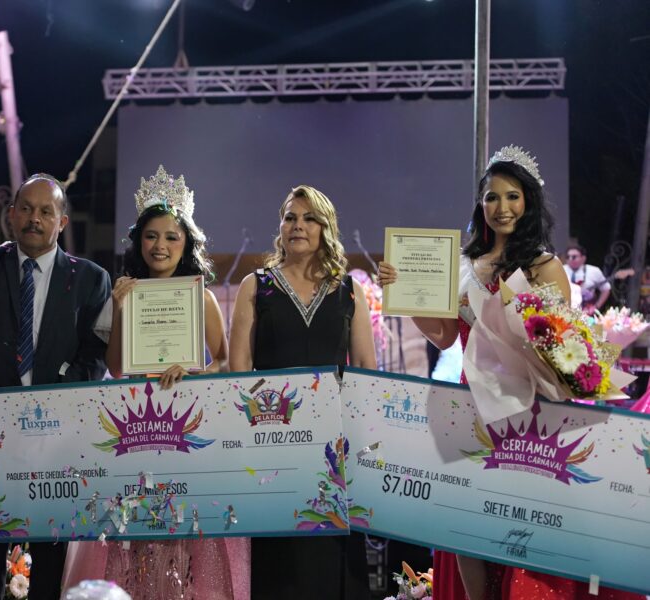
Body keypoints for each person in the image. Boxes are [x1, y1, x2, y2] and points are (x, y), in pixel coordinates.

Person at [378, 145, 642, 600]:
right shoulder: (462, 265)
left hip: (530, 411)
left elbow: (561, 347)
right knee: (467, 519)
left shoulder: (544, 266)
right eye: (492, 197)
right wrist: (403, 292)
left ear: (528, 201)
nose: (502, 207)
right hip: (470, 404)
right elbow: (443, 337)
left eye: (512, 196)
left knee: (519, 520)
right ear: (480, 205)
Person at [62, 165, 248, 600]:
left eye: (171, 237)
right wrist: (120, 309)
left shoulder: (202, 297)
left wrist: (194, 373)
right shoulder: (126, 292)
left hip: (185, 429)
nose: (160, 245)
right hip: (136, 430)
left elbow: (226, 363)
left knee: (183, 537)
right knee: (133, 537)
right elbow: (117, 369)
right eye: (151, 236)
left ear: (186, 243)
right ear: (139, 241)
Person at [0, 173, 110, 600]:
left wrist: (51, 401)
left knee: (49, 568)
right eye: (25, 208)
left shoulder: (91, 279)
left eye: (46, 211)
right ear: (11, 214)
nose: (34, 219)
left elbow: (95, 358)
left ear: (62, 222)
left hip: (57, 443)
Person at [229, 184, 377, 599]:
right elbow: (237, 373)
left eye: (309, 218)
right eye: (290, 217)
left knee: (330, 564)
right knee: (280, 566)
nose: (298, 225)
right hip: (273, 445)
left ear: (326, 228)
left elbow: (365, 370)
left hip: (334, 453)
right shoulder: (256, 285)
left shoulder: (348, 290)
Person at [563, 244, 611, 313]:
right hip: (565, 311)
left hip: (587, 312)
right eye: (568, 257)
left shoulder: (594, 271)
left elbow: (606, 289)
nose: (570, 259)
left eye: (574, 257)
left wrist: (596, 307)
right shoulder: (560, 270)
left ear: (583, 258)